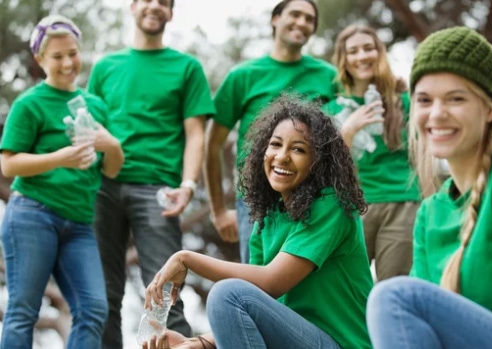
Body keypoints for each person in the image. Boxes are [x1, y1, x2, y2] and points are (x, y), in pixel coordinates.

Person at [141, 96, 373, 349]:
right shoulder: (267, 217)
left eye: (299, 149)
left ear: (318, 162)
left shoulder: (331, 205)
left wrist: (186, 258)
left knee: (226, 293)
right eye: (275, 144)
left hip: (340, 344)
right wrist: (196, 343)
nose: (282, 157)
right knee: (228, 297)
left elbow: (271, 282)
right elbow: (258, 303)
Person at [366, 26, 492, 349]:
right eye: (424, 100)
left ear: (490, 109)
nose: (437, 114)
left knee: (391, 296)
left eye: (456, 98)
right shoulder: (430, 213)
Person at [87, 0, 216, 347]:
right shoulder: (105, 67)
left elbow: (195, 135)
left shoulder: (186, 67)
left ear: (171, 13)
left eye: (164, 2)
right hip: (102, 188)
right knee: (101, 297)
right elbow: (89, 130)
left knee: (165, 295)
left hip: (158, 191)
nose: (155, 6)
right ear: (132, 7)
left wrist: (188, 185)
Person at [0, 15, 124, 348]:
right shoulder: (29, 104)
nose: (68, 62)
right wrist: (61, 158)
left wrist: (111, 146)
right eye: (57, 56)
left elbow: (111, 170)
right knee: (23, 310)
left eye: (72, 53)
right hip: (32, 215)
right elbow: (9, 165)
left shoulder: (95, 105)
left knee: (95, 309)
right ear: (40, 60)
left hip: (80, 224)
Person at [204, 0, 337, 263]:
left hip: (316, 198)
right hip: (256, 202)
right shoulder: (243, 76)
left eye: (309, 19)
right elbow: (212, 143)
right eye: (295, 15)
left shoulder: (329, 76)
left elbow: (361, 105)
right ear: (275, 19)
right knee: (255, 286)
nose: (302, 23)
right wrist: (218, 210)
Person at [330, 24, 420, 281]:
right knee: (346, 286)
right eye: (353, 51)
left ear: (379, 53)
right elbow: (327, 171)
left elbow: (427, 152)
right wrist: (349, 130)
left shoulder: (403, 100)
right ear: (343, 59)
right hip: (354, 207)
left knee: (393, 288)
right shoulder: (333, 110)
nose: (362, 56)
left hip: (402, 203)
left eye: (368, 48)